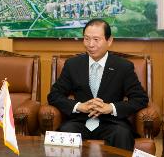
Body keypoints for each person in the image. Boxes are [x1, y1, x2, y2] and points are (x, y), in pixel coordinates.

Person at [47, 19, 148, 150]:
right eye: (86, 39)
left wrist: (110, 107)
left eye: (96, 39)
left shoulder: (123, 66)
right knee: (66, 131)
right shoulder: (73, 65)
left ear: (109, 41)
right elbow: (54, 95)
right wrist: (79, 106)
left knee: (122, 134)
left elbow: (140, 99)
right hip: (80, 121)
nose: (90, 44)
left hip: (112, 123)